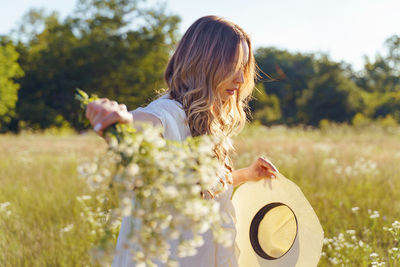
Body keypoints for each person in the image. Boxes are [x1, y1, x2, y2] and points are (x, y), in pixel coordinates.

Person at [85, 15, 278, 267]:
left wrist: (244, 175)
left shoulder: (206, 120)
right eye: (232, 66)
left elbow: (201, 186)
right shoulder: (171, 113)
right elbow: (147, 122)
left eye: (243, 68)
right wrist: (120, 119)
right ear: (203, 64)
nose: (241, 79)